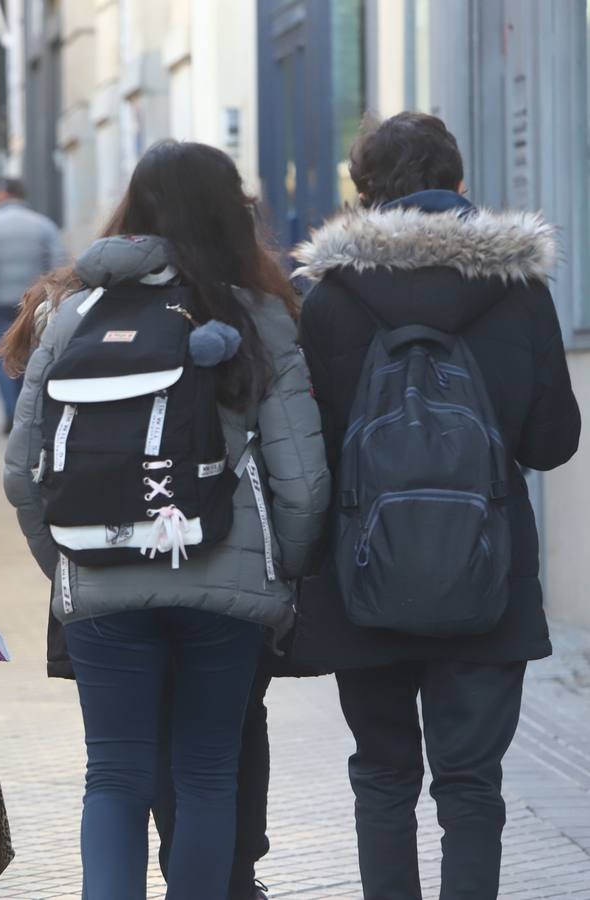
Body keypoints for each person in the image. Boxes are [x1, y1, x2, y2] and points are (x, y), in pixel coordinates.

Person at [4, 141, 330, 899]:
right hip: (223, 578)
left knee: (113, 776)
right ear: (232, 212)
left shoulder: (72, 312)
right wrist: (286, 569)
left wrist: (70, 564)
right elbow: (304, 481)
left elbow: (23, 472)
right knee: (208, 772)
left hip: (101, 577)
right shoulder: (257, 315)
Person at [292, 112, 581, 900]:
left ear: (366, 194)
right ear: (458, 186)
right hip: (488, 574)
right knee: (472, 785)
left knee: (382, 777)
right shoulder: (517, 290)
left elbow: (307, 448)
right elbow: (554, 440)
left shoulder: (326, 298)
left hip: (364, 573)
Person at [0, 176, 68, 431]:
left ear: (2, 194)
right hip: (34, 301)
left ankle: (11, 413)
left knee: (4, 355)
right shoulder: (44, 225)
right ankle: (30, 412)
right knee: (34, 353)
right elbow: (59, 262)